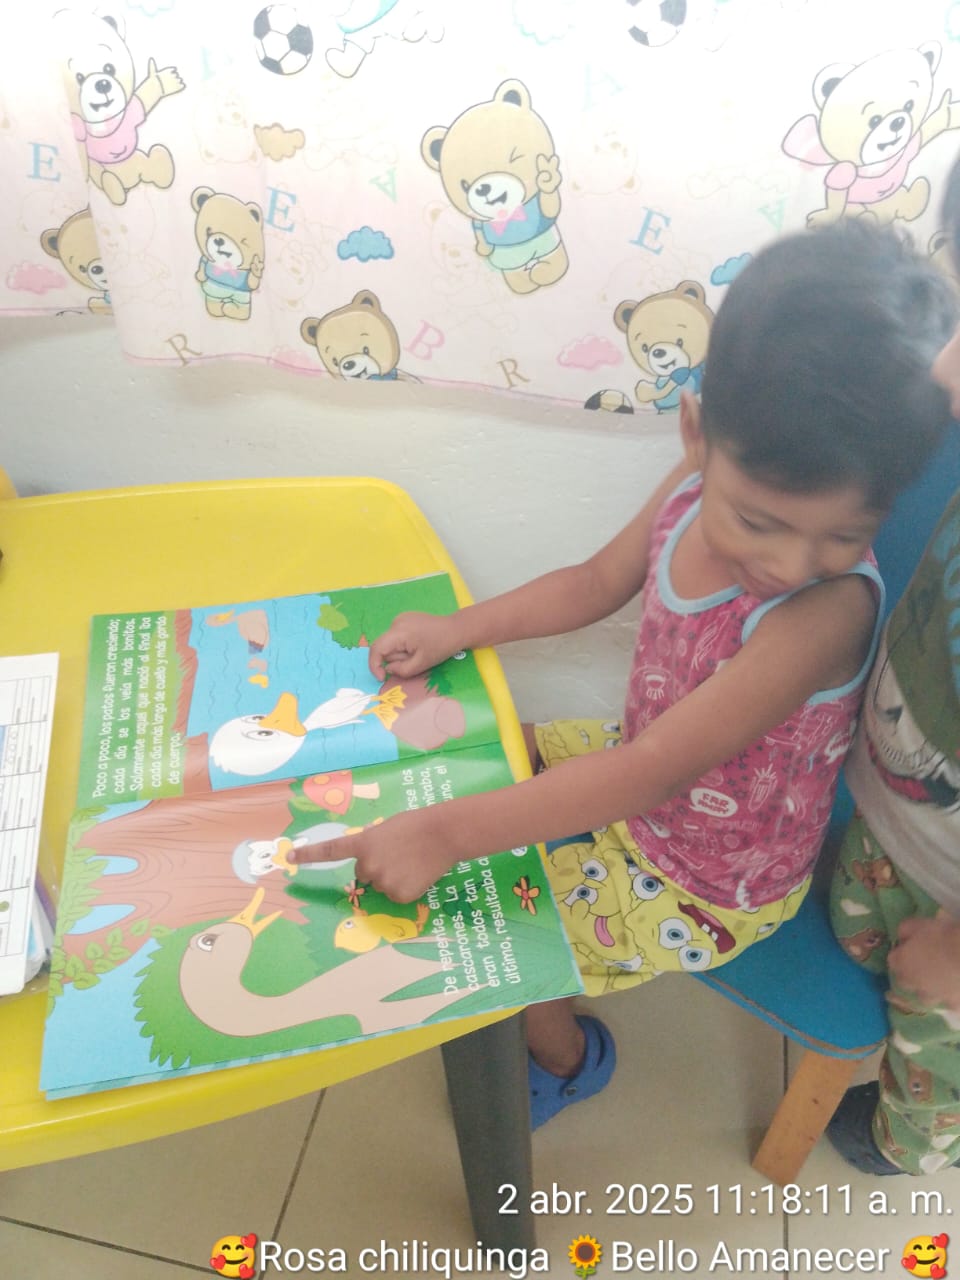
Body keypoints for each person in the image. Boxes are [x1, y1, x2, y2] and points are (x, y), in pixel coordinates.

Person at [292, 221, 957, 1129]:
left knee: (500, 932)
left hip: (708, 874)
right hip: (644, 761)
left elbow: (649, 775)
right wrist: (458, 628)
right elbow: (592, 582)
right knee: (489, 747)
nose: (792, 562)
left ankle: (565, 1060)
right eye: (759, 522)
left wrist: (444, 836)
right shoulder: (689, 487)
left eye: (845, 533)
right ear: (697, 435)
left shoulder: (824, 612)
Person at [826, 159, 960, 1177]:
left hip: (952, 929)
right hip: (889, 821)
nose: (947, 367)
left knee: (929, 1079)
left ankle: (906, 1144)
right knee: (863, 945)